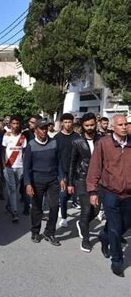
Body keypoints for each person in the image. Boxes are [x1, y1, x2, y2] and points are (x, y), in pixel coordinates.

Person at [86, 114, 130, 277]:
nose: (124, 127)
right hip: (110, 192)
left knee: (125, 224)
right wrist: (92, 191)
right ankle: (117, 261)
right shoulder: (103, 144)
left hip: (129, 194)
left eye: (126, 124)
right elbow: (95, 168)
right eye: (120, 124)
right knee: (114, 227)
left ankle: (104, 236)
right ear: (113, 127)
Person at [24, 118, 65, 246]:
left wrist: (62, 178)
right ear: (35, 130)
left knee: (54, 206)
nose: (44, 130)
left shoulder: (54, 143)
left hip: (53, 181)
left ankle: (49, 232)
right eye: (42, 128)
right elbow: (26, 167)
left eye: (46, 128)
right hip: (37, 182)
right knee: (37, 208)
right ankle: (35, 232)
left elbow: (59, 163)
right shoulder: (31, 145)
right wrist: (28, 184)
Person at [67, 113, 101, 253]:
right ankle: (85, 240)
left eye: (92, 125)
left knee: (96, 209)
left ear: (96, 124)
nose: (90, 128)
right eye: (86, 125)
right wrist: (70, 182)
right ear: (82, 126)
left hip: (99, 179)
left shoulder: (102, 140)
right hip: (82, 179)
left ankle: (82, 223)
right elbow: (72, 163)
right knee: (86, 209)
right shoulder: (76, 142)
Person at [54, 113, 79, 228]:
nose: (68, 124)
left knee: (71, 194)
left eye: (70, 122)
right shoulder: (57, 138)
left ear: (72, 122)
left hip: (74, 171)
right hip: (62, 170)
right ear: (62, 123)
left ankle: (62, 206)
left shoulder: (77, 137)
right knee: (63, 195)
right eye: (66, 122)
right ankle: (64, 217)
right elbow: (54, 156)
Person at [2, 116, 27, 223]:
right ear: (10, 124)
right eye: (13, 123)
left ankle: (9, 205)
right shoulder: (6, 136)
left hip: (20, 167)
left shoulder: (23, 138)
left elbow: (24, 153)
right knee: (12, 189)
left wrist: (25, 166)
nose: (15, 125)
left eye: (17, 123)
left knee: (14, 188)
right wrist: (4, 165)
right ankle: (15, 212)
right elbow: (3, 151)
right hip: (9, 166)